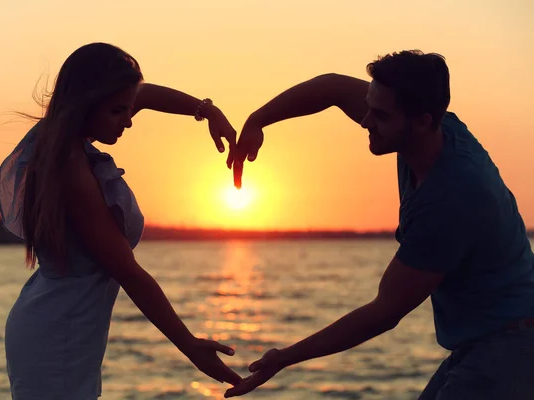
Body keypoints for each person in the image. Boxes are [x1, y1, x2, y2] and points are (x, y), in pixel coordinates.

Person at [224, 50, 534, 399]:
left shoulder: (452, 200)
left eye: (380, 115)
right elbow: (332, 88)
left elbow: (384, 312)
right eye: (369, 107)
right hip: (485, 341)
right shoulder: (430, 128)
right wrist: (258, 119)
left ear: (421, 121)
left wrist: (283, 358)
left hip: (510, 346)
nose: (366, 120)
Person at [0, 42, 241, 400]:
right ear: (85, 105)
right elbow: (128, 272)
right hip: (57, 338)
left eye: (127, 109)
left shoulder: (64, 140)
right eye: (117, 111)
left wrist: (206, 110)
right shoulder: (70, 167)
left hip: (59, 324)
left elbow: (142, 94)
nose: (128, 120)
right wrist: (189, 345)